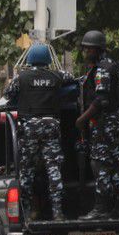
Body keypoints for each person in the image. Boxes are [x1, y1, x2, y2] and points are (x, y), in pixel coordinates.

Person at [6, 43, 75, 221]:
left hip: (30, 127)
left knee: (27, 171)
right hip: (51, 126)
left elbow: (8, 94)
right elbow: (71, 79)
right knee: (54, 170)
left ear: (29, 60)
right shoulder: (56, 76)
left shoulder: (21, 77)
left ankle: (28, 213)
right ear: (47, 60)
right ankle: (58, 212)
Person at [76, 30, 119, 220]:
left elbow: (101, 100)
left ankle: (101, 209)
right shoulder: (110, 65)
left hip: (105, 123)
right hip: (113, 121)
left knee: (99, 164)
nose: (86, 52)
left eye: (88, 49)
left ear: (97, 49)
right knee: (115, 163)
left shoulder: (103, 68)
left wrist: (82, 119)